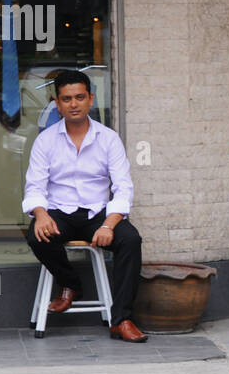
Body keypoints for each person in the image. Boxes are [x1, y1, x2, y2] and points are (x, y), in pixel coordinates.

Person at [22, 70, 147, 342]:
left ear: (91, 99)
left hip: (97, 213)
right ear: (57, 103)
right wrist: (41, 214)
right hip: (59, 212)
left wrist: (108, 224)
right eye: (67, 99)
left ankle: (122, 319)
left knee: (130, 240)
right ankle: (71, 283)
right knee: (37, 235)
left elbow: (123, 187)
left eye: (80, 97)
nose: (74, 104)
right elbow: (34, 186)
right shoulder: (45, 140)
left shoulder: (108, 138)